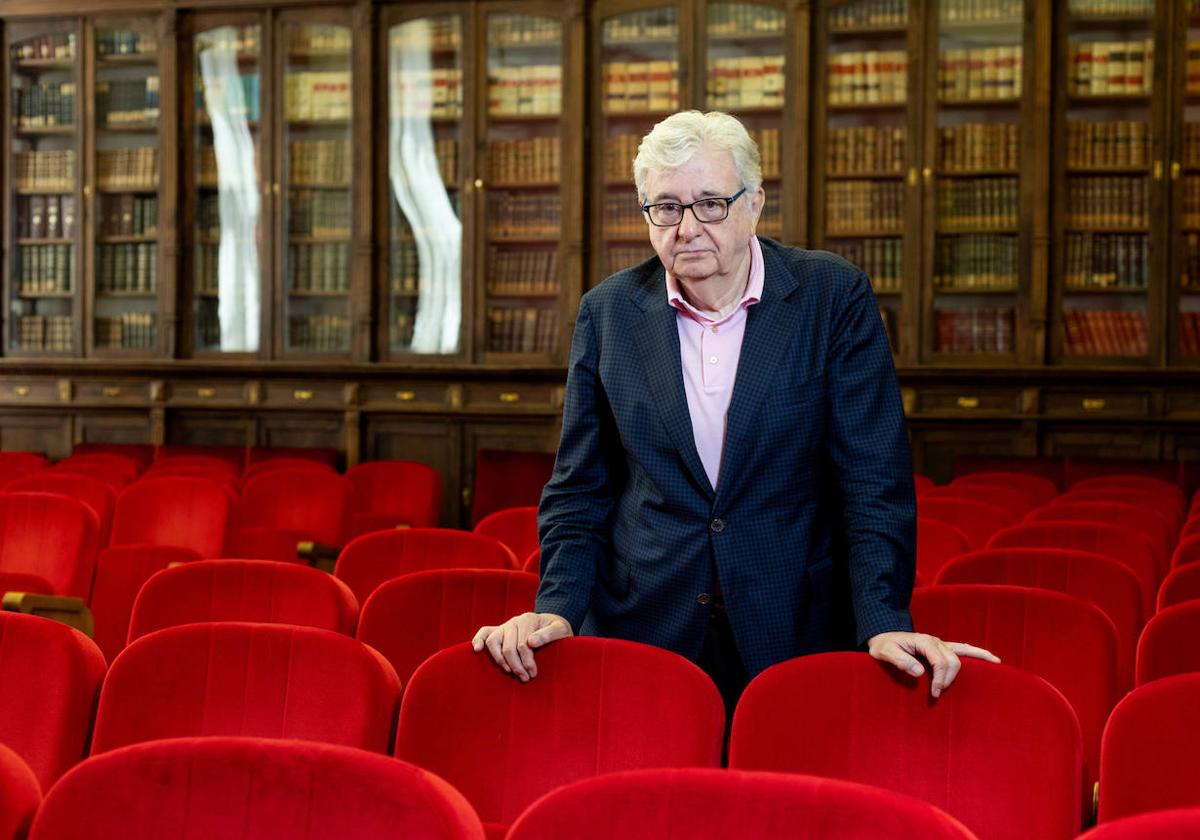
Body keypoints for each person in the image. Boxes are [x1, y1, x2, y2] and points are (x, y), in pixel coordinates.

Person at [473, 110, 997, 712]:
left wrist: (881, 616)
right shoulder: (608, 313)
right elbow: (579, 487)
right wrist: (557, 608)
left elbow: (872, 481)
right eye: (665, 207)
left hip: (793, 622)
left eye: (711, 203)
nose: (687, 227)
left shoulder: (832, 297)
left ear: (754, 205)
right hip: (645, 621)